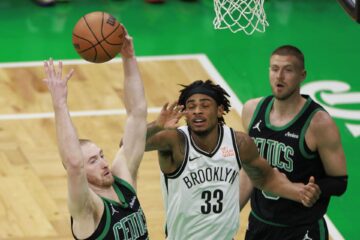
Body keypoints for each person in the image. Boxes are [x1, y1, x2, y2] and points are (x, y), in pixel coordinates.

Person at [145, 80, 318, 239]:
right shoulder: (174, 140)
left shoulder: (239, 143)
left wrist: (298, 192)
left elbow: (265, 178)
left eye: (205, 105)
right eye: (191, 106)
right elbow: (128, 144)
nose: (197, 110)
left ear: (220, 110)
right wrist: (156, 126)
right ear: (185, 112)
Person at [43, 30, 149, 239]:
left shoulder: (123, 180)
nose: (104, 163)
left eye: (101, 155)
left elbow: (137, 114)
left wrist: (129, 58)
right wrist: (60, 104)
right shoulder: (87, 209)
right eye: (92, 161)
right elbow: (73, 163)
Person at [240, 45, 348, 240]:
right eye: (274, 69)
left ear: (302, 75)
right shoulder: (251, 110)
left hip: (302, 230)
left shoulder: (319, 122)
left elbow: (340, 182)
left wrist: (317, 190)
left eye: (288, 70)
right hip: (259, 226)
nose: (279, 76)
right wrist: (225, 216)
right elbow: (249, 170)